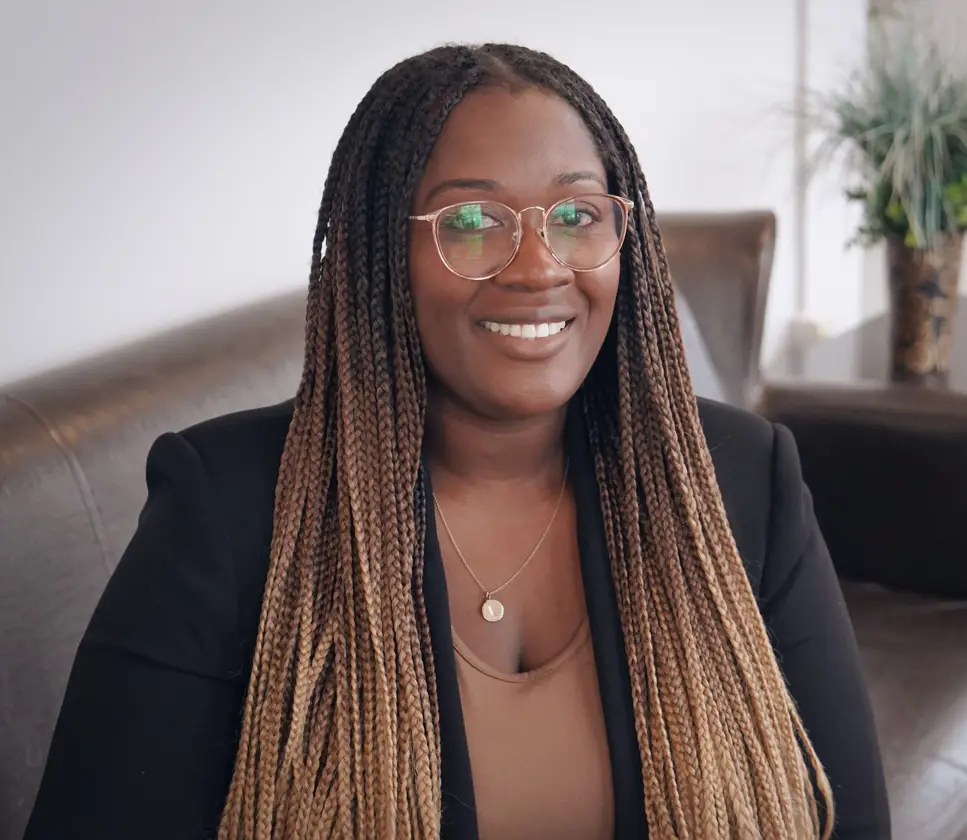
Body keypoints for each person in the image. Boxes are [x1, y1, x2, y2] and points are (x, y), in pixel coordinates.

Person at [23, 43, 890, 840]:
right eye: (470, 221)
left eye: (576, 214)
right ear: (378, 256)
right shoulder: (225, 513)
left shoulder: (739, 483)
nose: (538, 266)